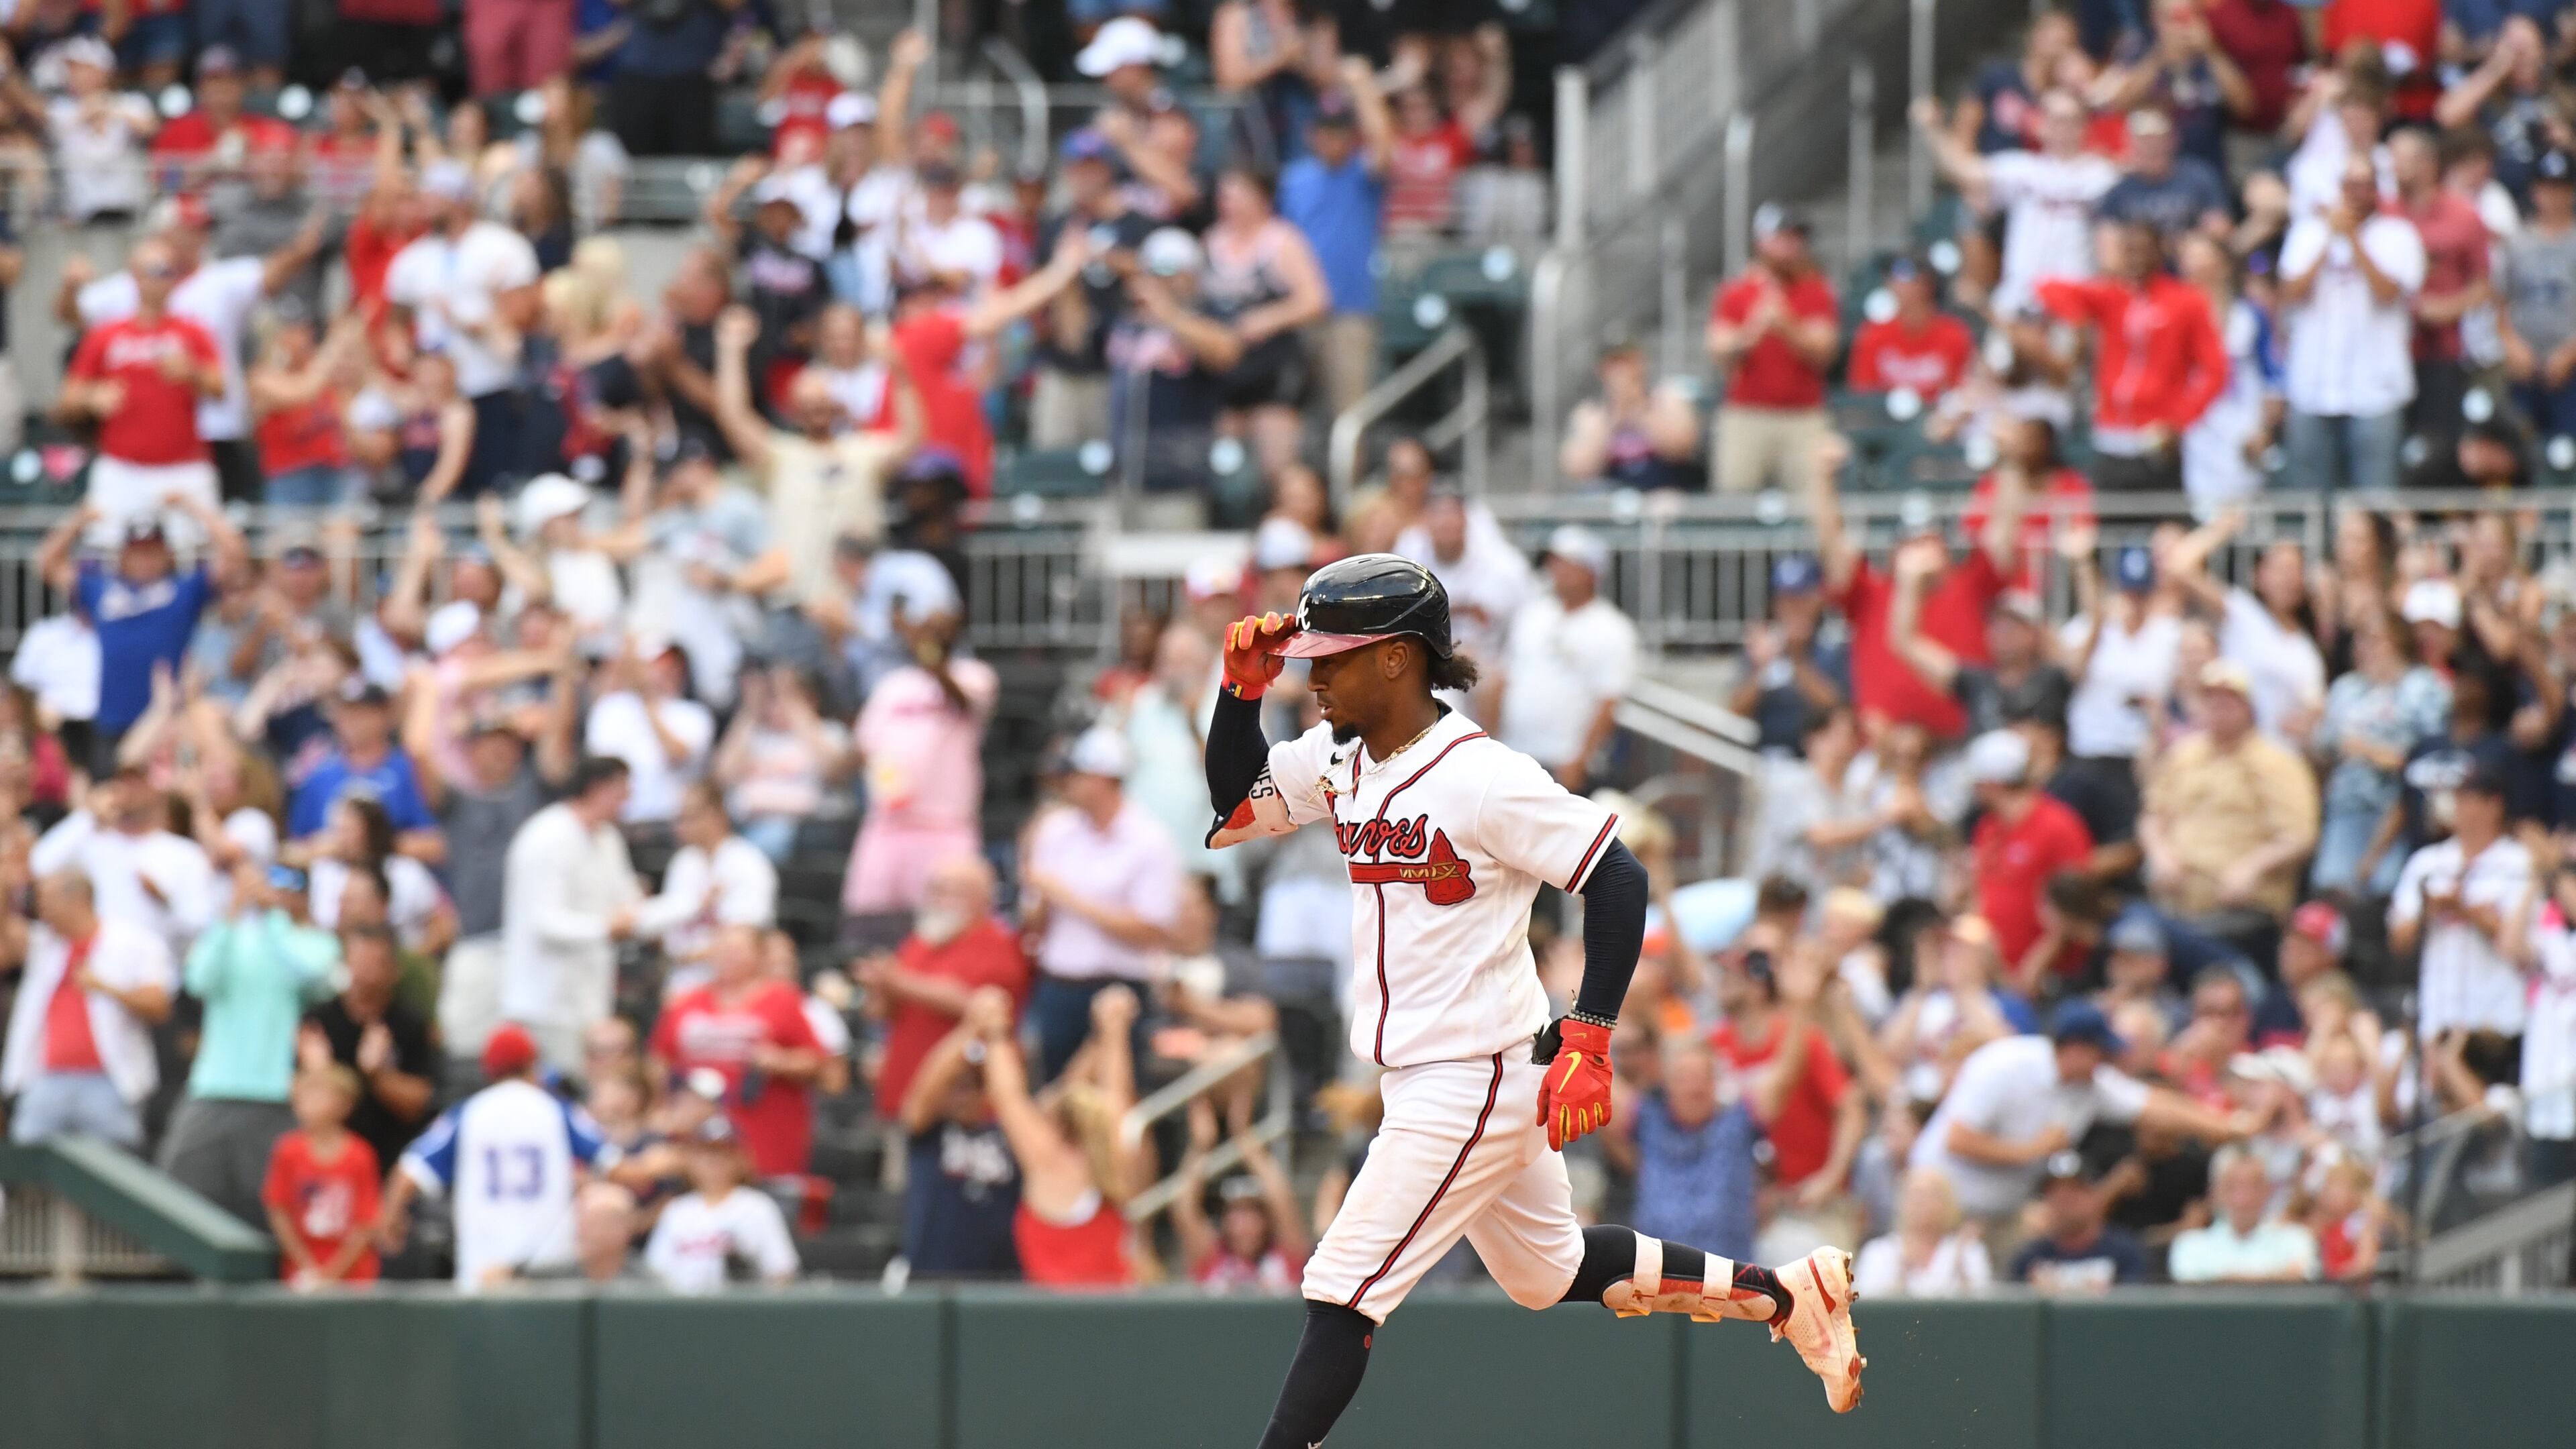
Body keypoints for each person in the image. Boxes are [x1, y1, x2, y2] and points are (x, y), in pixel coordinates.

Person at [1208, 553, 1866, 1444]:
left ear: (1397, 658)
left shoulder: (1481, 775)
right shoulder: (1341, 759)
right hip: (1444, 1068)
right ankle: (1789, 1296)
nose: (1313, 673)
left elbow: (1618, 875)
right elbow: (1237, 809)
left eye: (1333, 655)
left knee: (1341, 1290)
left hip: (1468, 1075)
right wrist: (1237, 699)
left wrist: (1591, 1037)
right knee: (1546, 1273)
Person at [1909, 1002, 2250, 1226]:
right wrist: (2031, 1150)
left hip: (1999, 1217)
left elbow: (2156, 1106)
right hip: (1939, 1210)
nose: (2105, 1061)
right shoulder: (2005, 1064)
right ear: (2073, 1049)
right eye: (2098, 1052)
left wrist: (2228, 1127)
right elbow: (1958, 1139)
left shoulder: (2090, 1085)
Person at [160, 861, 342, 1226]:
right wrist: (232, 914)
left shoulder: (318, 944)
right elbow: (199, 980)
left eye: (290, 888)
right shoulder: (229, 936)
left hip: (274, 1094)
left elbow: (309, 976)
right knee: (176, 1188)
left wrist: (273, 920)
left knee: (274, 1206)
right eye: (272, 885)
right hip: (213, 1087)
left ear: (306, 897)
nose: (279, 894)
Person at [382, 1024, 604, 1289]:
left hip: (482, 1267)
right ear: (533, 1063)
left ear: (488, 1068)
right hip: (549, 1271)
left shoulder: (468, 1113)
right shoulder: (556, 1109)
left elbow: (409, 1173)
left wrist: (391, 1222)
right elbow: (615, 1164)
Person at [1020, 727, 1184, 1082]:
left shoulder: (1150, 839)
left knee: (1115, 1095)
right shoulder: (1054, 829)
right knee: (1054, 1094)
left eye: (1077, 774)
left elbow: (1153, 929)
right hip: (1058, 984)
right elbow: (1034, 916)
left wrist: (1069, 898)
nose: (1068, 783)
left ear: (1104, 779)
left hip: (1118, 989)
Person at [36, 500, 243, 775]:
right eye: (138, 552)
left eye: (153, 551)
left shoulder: (184, 591)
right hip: (113, 720)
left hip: (169, 724)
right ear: (123, 556)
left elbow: (234, 556)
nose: (145, 559)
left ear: (167, 555)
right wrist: (79, 520)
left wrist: (193, 507)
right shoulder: (101, 590)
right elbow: (48, 564)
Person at [382, 161, 543, 496]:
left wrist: (473, 322)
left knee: (488, 486)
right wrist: (408, 360)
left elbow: (524, 318)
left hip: (489, 384)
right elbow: (395, 324)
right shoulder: (414, 258)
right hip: (435, 395)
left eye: (435, 196)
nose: (426, 204)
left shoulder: (502, 247)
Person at [2033, 219, 2230, 491]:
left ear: (2159, 251)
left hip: (2157, 436)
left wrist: (2181, 419)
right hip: (2111, 435)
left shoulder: (2186, 301)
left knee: (2162, 521)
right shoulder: (2110, 295)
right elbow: (2047, 288)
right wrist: (2078, 318)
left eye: (2143, 250)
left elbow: (2215, 370)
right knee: (2110, 520)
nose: (2135, 259)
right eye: (2129, 251)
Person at [2277, 155, 2428, 492]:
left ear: (2377, 189)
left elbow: (2388, 293)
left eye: (2365, 185)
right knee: (2309, 497)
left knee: (2375, 495)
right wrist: (2331, 238)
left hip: (2375, 387)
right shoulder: (2308, 232)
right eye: (2350, 185)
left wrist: (2354, 239)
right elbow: (2291, 292)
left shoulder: (2398, 234)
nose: (2356, 193)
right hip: (2312, 384)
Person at [0, 871, 176, 1148]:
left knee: (112, 1169)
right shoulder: (46, 945)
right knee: (26, 1162)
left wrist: (104, 987)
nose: (40, 908)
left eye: (47, 899)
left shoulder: (132, 942)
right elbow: (5, 944)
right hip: (48, 1079)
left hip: (108, 1081)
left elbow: (160, 1007)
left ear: (78, 899)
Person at [2139, 661, 2321, 929]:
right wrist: (2161, 854)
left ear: (2249, 707)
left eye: (2228, 700)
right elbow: (2152, 816)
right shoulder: (2183, 754)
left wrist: (2252, 867)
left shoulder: (2277, 762)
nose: (2218, 706)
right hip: (2175, 895)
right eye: (2211, 699)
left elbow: (2299, 836)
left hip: (2239, 904)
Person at [1911, 89, 2118, 313]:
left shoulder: (2102, 175)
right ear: (2042, 124)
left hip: (2073, 305)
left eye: (2069, 120)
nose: (2061, 128)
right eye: (2054, 119)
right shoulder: (2023, 168)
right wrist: (1932, 128)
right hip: (2018, 301)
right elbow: (1965, 172)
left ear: (2084, 126)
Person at [858, 855, 1031, 1122]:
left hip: (960, 1105)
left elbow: (976, 1004)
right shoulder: (921, 940)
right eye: (934, 889)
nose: (936, 899)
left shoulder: (998, 945)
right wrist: (878, 986)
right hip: (905, 1094)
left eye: (948, 890)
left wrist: (897, 982)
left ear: (981, 898)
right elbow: (885, 1012)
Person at [649, 924, 828, 1181]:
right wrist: (662, 1108)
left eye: (737, 950)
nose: (727, 956)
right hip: (694, 1142)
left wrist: (781, 1062)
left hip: (761, 1136)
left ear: (759, 955)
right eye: (721, 948)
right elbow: (659, 1061)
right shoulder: (686, 1002)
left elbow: (819, 1064)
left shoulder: (783, 1000)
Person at [498, 756, 643, 1073]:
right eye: (622, 792)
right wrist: (607, 928)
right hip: (544, 1006)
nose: (628, 802)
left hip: (590, 1002)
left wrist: (691, 903)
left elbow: (630, 907)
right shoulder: (546, 837)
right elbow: (545, 923)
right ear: (597, 788)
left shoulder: (608, 839)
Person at [2389, 765, 2534, 1041]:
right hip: (2437, 1015)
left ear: (2494, 805)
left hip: (2497, 1020)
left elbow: (2523, 948)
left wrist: (2465, 909)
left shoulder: (2519, 862)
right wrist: (2431, 910)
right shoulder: (2427, 862)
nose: (2456, 806)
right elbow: (2399, 941)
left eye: (2465, 798)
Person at [1494, 526, 1638, 794]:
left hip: (1564, 762)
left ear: (1593, 571)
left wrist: (1580, 760)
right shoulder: (1532, 614)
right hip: (1515, 755)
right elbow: (1506, 678)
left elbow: (1609, 700)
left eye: (1569, 563)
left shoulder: (1613, 629)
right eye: (1555, 562)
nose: (1558, 570)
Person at [1705, 204, 1837, 493]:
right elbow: (1720, 352)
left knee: (1814, 502)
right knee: (1733, 498)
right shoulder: (1736, 292)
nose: (1791, 246)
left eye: (1795, 238)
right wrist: (1753, 329)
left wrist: (1787, 324)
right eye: (1782, 237)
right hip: (1747, 413)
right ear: (1761, 241)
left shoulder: (1816, 291)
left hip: (1803, 415)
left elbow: (1824, 352)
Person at [895, 991, 1025, 1281]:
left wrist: (996, 1036)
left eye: (974, 1085)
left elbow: (1018, 1097)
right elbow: (923, 1092)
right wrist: (971, 1027)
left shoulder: (1012, 1136)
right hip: (932, 1280)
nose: (963, 1095)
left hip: (1001, 1283)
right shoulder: (929, 1133)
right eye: (956, 1085)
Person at [300, 921, 439, 1171]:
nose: (365, 975)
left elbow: (420, 1103)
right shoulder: (319, 1021)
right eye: (357, 963)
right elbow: (298, 1098)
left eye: (375, 965)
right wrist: (322, 1074)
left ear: (394, 970)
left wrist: (379, 1075)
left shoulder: (410, 1023)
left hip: (390, 1158)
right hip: (328, 1167)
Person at [634, 784, 778, 987]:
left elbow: (747, 938)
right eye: (679, 819)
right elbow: (667, 936)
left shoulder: (747, 862)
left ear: (717, 815)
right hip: (681, 981)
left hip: (730, 984)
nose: (680, 827)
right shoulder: (683, 862)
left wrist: (683, 956)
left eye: (690, 817)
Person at [643, 1116, 802, 1293]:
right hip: (683, 1311)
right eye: (706, 1154)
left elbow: (782, 1272)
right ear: (691, 1160)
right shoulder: (677, 1210)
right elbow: (656, 1276)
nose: (714, 1163)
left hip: (741, 1310)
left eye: (723, 1155)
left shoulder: (758, 1206)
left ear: (740, 1160)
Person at [260, 1064, 383, 1287]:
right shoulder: (287, 1151)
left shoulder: (361, 1155)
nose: (308, 1102)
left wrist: (332, 1275)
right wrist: (307, 1267)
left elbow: (366, 1223)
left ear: (345, 1105)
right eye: (304, 1094)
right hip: (301, 1275)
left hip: (354, 1279)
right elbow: (278, 1209)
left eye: (318, 1094)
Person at [1172, 1103, 1311, 1292]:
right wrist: (1201, 1146)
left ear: (1266, 1219)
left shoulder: (1284, 1256)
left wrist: (1245, 1138)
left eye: (1252, 1213)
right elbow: (1184, 1210)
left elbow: (1281, 1197)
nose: (1244, 1225)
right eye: (1236, 1213)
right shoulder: (1213, 1258)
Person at [1560, 340, 1701, 492]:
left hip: (1664, 489)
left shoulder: (1668, 399)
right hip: (1611, 494)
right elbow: (1578, 469)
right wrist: (1612, 419)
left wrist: (1639, 409)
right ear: (1602, 370)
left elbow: (1681, 449)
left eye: (1628, 362)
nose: (1622, 371)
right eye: (1615, 364)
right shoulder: (1590, 413)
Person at [2167, 1145, 2321, 1283]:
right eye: (2232, 1187)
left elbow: (2304, 1282)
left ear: (2269, 1190)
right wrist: (2278, 1277)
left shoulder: (2297, 1240)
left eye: (2254, 1185)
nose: (2244, 1198)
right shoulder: (2190, 1246)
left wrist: (2221, 1279)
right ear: (2214, 1193)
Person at [2010, 1151, 2149, 1291]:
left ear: (2094, 1194)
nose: (2066, 1199)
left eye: (2076, 1189)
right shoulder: (2030, 1257)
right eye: (2056, 1191)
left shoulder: (2125, 1251)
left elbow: (2136, 1305)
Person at [1851, 1167, 1991, 1297]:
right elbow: (1871, 1308)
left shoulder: (1970, 1252)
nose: (1920, 1202)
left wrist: (1962, 1268)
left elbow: (1981, 1307)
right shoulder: (1879, 1252)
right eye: (1914, 1194)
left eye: (1931, 1195)